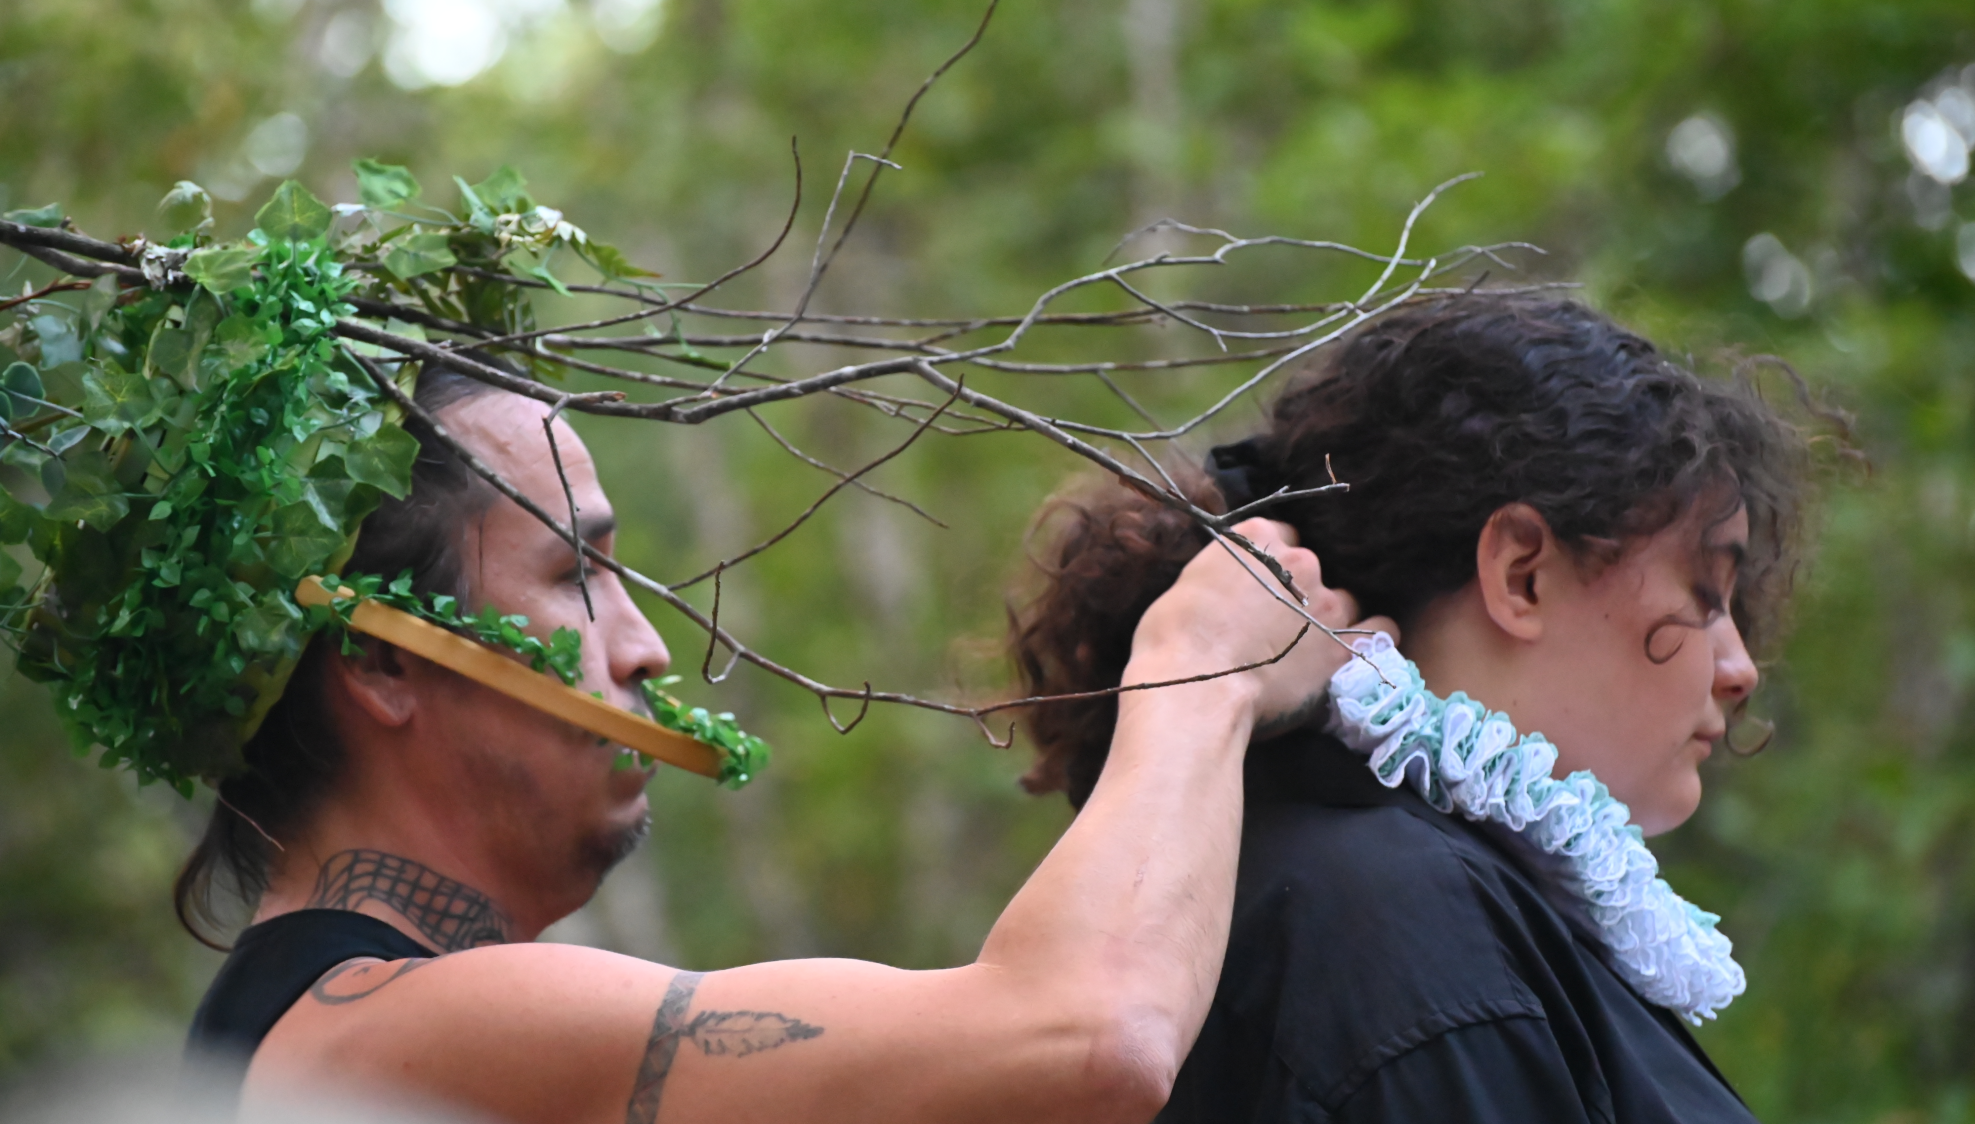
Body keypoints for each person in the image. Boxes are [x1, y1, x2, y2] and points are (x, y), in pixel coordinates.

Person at [177, 365, 1396, 1124]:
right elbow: (1088, 1038)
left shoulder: (310, 1025)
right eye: (576, 572)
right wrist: (1201, 667)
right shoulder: (397, 1028)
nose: (645, 647)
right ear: (384, 659)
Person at [1008, 294, 1819, 1122]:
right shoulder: (1406, 925)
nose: (1739, 669)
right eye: (1706, 592)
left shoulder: (1388, 893)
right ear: (1522, 575)